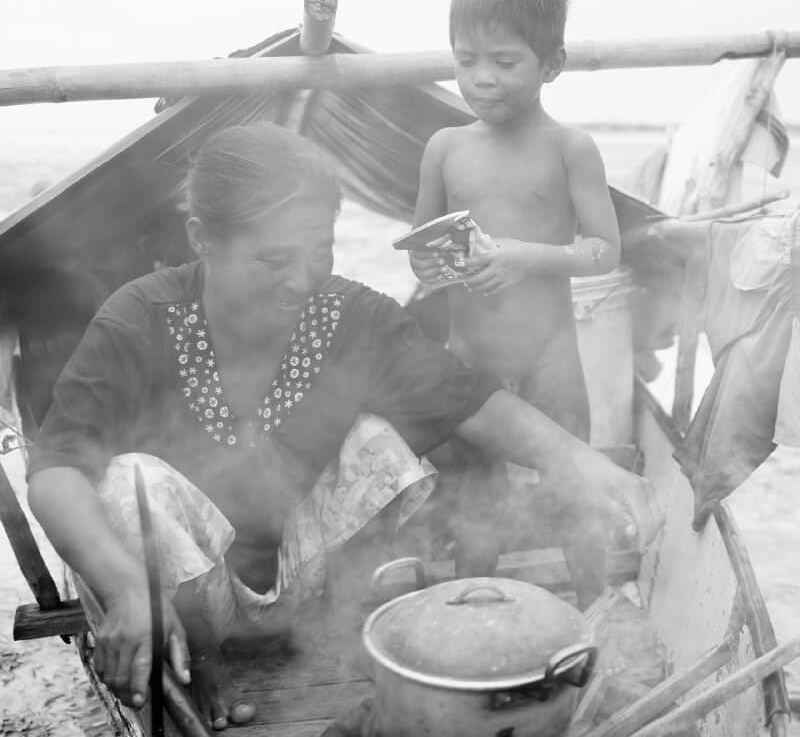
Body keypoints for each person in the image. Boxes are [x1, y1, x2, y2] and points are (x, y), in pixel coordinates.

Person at [27, 122, 655, 731]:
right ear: (202, 240)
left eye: (320, 252)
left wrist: (588, 467)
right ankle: (203, 663)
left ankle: (342, 631)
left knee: (376, 439)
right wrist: (126, 592)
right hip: (189, 606)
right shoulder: (141, 317)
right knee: (128, 480)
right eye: (273, 260)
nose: (302, 280)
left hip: (305, 588)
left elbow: (469, 401)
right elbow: (54, 471)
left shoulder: (350, 313)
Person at [408, 0, 622, 605]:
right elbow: (422, 251)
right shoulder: (445, 147)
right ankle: (472, 614)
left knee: (574, 491)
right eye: (466, 59)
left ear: (552, 64)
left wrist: (527, 256)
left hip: (549, 357)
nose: (483, 77)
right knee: (476, 504)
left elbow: (604, 251)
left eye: (505, 61)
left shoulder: (569, 147)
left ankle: (599, 610)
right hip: (471, 358)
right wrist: (429, 266)